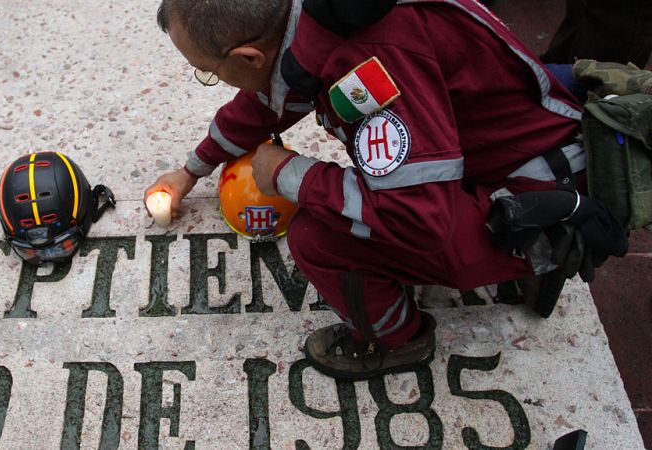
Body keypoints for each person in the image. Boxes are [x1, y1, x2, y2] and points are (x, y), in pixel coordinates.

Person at [145, 0, 627, 380]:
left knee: (317, 237)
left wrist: (290, 173)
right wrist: (193, 169)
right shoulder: (320, 20)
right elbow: (268, 99)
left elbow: (418, 219)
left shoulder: (367, 63)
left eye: (208, 71)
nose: (213, 79)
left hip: (535, 200)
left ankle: (399, 339)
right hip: (503, 152)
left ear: (248, 55)